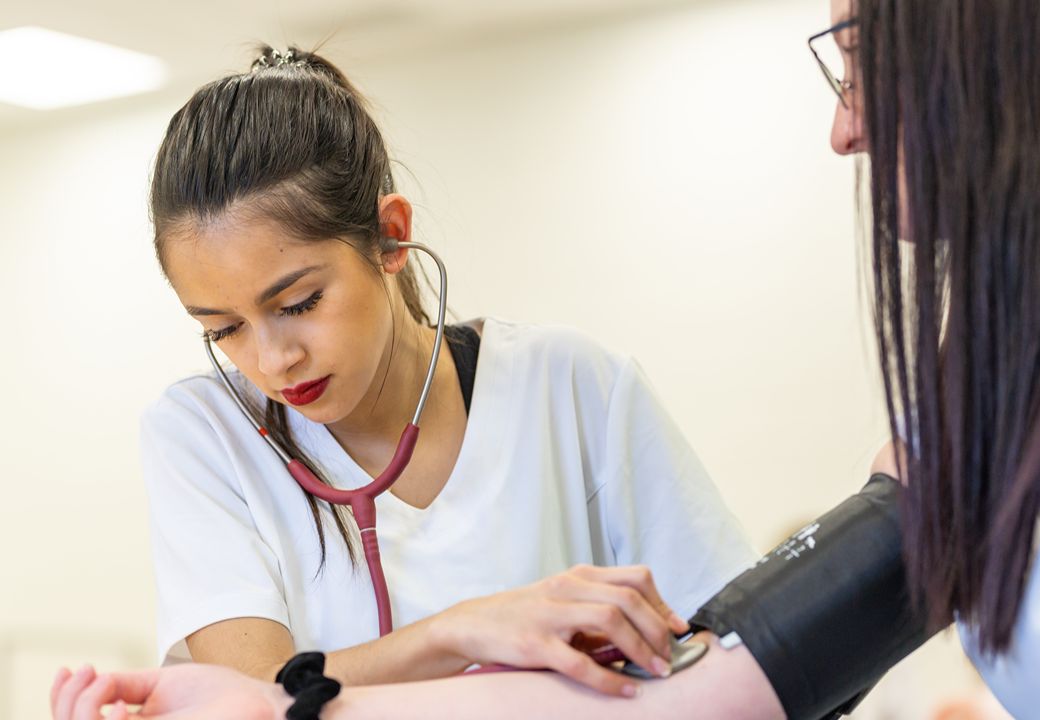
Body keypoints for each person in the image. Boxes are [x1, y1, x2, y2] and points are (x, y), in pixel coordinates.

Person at [52, 0, 1040, 716]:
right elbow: (694, 701)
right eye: (220, 329)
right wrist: (305, 700)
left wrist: (296, 703)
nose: (841, 126)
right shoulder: (1017, 338)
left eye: (853, 59)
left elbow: (711, 673)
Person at [135, 45, 757, 697]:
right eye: (223, 329)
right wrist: (460, 632)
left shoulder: (567, 386)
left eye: (299, 303)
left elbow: (737, 641)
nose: (272, 360)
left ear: (390, 237)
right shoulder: (204, 434)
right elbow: (249, 699)